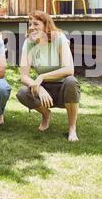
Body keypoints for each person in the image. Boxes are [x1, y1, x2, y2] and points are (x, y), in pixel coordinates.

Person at [16, 11, 81, 142]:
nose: (31, 27)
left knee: (71, 82)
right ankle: (46, 114)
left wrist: (42, 77)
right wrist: (39, 88)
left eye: (36, 24)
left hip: (63, 88)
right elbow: (24, 76)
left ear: (46, 26)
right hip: (45, 90)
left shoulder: (59, 38)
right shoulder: (28, 43)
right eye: (30, 24)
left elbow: (69, 69)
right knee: (22, 92)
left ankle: (72, 128)